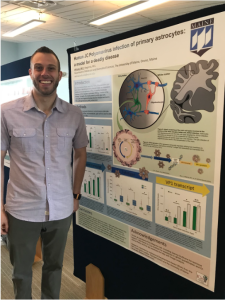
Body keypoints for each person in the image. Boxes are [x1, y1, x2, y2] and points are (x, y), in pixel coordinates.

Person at [0, 46, 88, 300]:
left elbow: (81, 154)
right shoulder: (6, 112)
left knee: (55, 267)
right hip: (22, 210)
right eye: (39, 67)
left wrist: (75, 195)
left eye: (51, 68)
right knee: (21, 272)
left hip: (61, 208)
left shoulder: (74, 114)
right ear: (30, 72)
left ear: (60, 74)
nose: (44, 73)